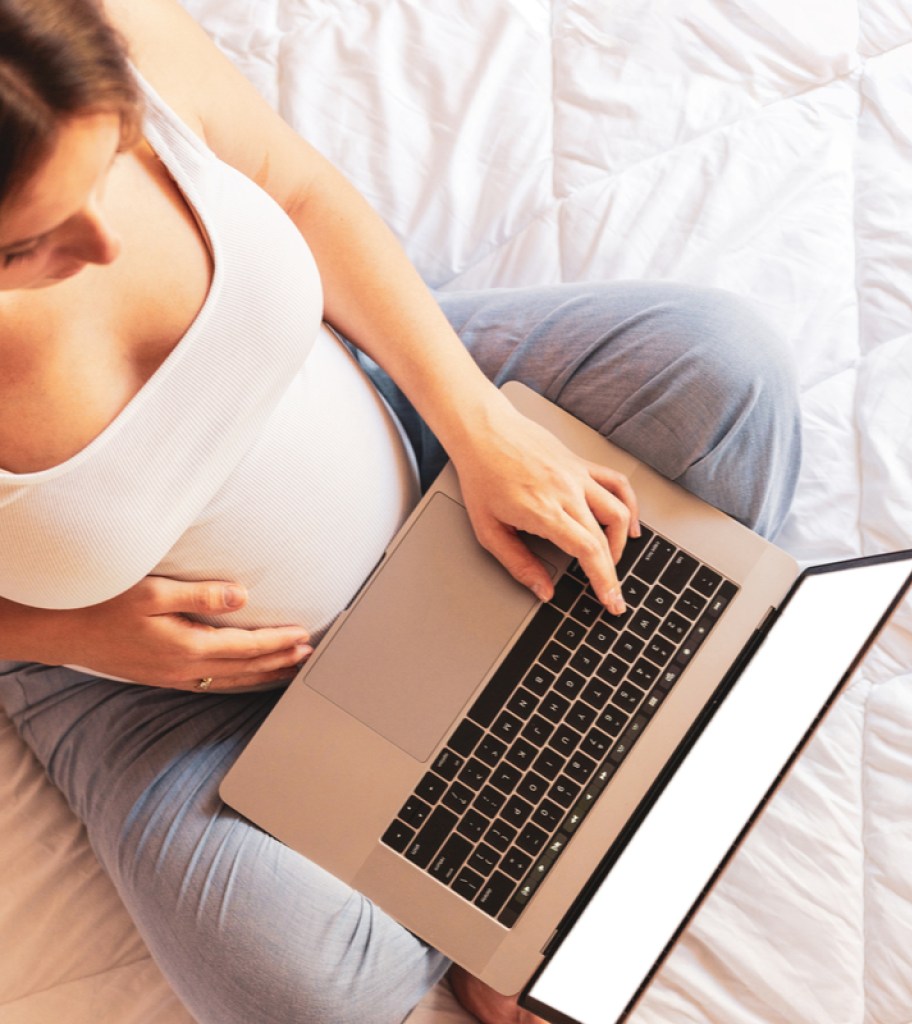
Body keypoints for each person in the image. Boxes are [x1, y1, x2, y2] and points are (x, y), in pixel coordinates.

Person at [0, 0, 802, 1022]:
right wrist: (67, 629)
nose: (104, 243)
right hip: (169, 689)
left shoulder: (79, 35)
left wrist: (474, 424)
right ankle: (525, 840)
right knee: (297, 989)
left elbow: (291, 185)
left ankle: (515, 853)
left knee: (720, 367)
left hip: (402, 437)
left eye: (115, 161)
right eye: (21, 249)